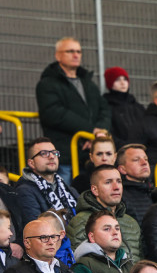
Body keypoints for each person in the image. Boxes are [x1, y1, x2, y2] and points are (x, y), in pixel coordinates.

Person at [35, 37, 112, 181]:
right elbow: (54, 113)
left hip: (88, 157)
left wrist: (99, 132)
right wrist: (90, 131)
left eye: (79, 51)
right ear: (58, 56)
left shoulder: (89, 84)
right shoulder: (47, 84)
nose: (76, 55)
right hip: (65, 157)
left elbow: (105, 110)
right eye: (70, 51)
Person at [67, 164, 142, 259]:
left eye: (119, 181)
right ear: (95, 190)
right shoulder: (81, 221)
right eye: (108, 182)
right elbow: (81, 263)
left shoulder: (131, 222)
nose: (116, 187)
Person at [15, 137, 79, 225]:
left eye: (54, 153)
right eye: (44, 153)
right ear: (31, 163)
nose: (52, 156)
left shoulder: (68, 189)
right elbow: (37, 228)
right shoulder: (24, 191)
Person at [102, 66, 144, 145]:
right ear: (110, 83)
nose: (122, 83)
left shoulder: (138, 107)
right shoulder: (106, 106)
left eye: (125, 79)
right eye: (117, 80)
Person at [116, 143, 153, 223]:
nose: (144, 163)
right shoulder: (119, 197)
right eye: (136, 160)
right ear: (122, 169)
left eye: (146, 159)